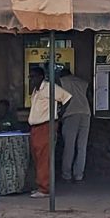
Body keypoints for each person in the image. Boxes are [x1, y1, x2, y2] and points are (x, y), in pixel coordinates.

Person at [28, 66, 71, 198]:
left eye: (33, 76)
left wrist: (59, 114)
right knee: (37, 156)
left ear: (41, 77)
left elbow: (67, 97)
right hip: (36, 127)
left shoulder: (49, 87)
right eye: (30, 77)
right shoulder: (36, 90)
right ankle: (40, 184)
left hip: (46, 125)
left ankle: (45, 188)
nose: (31, 79)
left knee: (44, 156)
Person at [58, 68, 91, 184]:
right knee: (82, 146)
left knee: (69, 146)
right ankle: (79, 175)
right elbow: (89, 96)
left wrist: (61, 113)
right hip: (85, 113)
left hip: (71, 113)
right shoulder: (82, 82)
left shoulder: (61, 81)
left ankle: (66, 174)